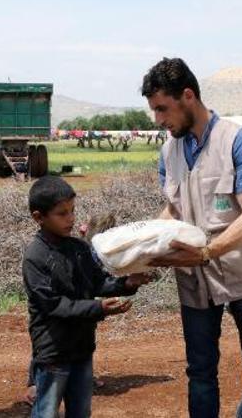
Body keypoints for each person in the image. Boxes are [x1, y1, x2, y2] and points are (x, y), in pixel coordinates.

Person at [142, 57, 242, 417]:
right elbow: (173, 211)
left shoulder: (238, 141)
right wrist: (142, 249)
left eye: (162, 108)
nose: (159, 120)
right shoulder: (168, 151)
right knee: (201, 371)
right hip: (195, 280)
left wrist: (207, 252)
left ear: (187, 95)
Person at [23, 176, 151, 418]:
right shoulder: (35, 257)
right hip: (53, 352)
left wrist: (126, 283)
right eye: (62, 213)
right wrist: (99, 308)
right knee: (46, 412)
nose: (71, 218)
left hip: (82, 348)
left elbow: (98, 281)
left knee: (81, 411)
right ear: (39, 218)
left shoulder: (80, 249)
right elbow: (54, 305)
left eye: (72, 211)